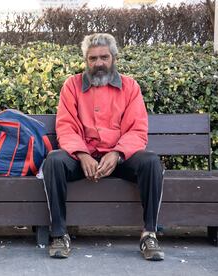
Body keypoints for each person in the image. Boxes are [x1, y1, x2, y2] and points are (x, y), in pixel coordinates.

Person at [43, 33, 164, 261]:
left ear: (114, 57)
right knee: (54, 160)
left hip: (118, 158)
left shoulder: (130, 87)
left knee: (151, 162)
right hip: (83, 158)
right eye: (92, 58)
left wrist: (117, 153)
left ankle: (149, 234)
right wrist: (81, 154)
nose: (98, 63)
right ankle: (58, 234)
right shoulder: (72, 85)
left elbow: (137, 129)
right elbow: (66, 126)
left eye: (104, 57)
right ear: (86, 60)